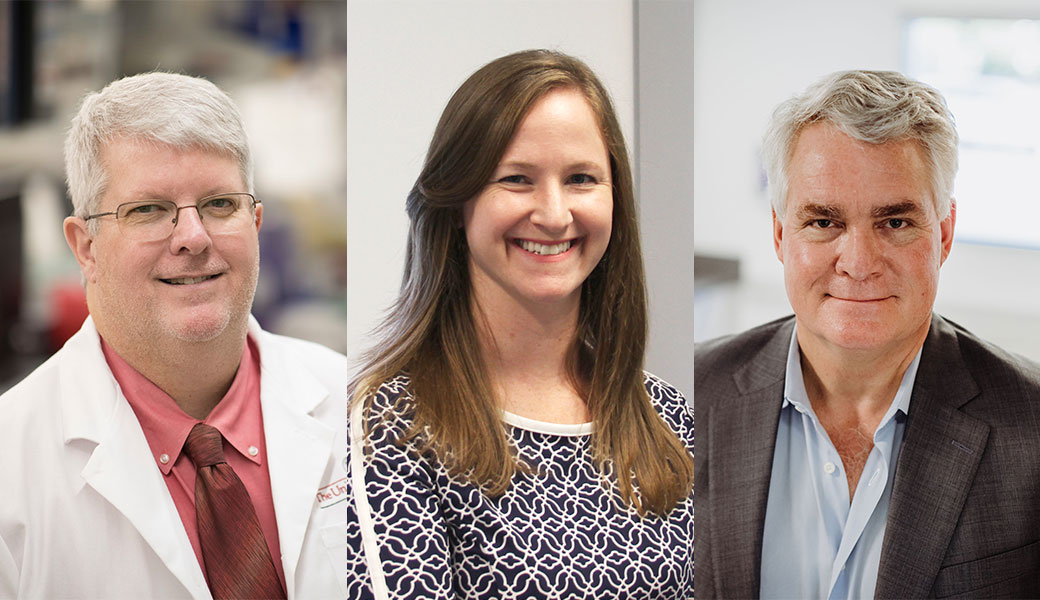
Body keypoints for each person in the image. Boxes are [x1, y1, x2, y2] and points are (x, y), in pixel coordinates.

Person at [344, 49, 694, 599]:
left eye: (581, 178)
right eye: (516, 179)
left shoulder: (670, 417)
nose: (554, 214)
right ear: (456, 202)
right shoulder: (394, 427)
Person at [0, 72, 350, 599]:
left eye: (219, 204)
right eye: (148, 210)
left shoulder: (361, 404)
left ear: (255, 224)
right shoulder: (11, 465)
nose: (193, 237)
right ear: (86, 247)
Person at [694, 69, 1040, 599]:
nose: (858, 264)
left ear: (943, 234)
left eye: (895, 223)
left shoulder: (1032, 426)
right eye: (825, 222)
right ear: (781, 234)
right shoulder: (685, 399)